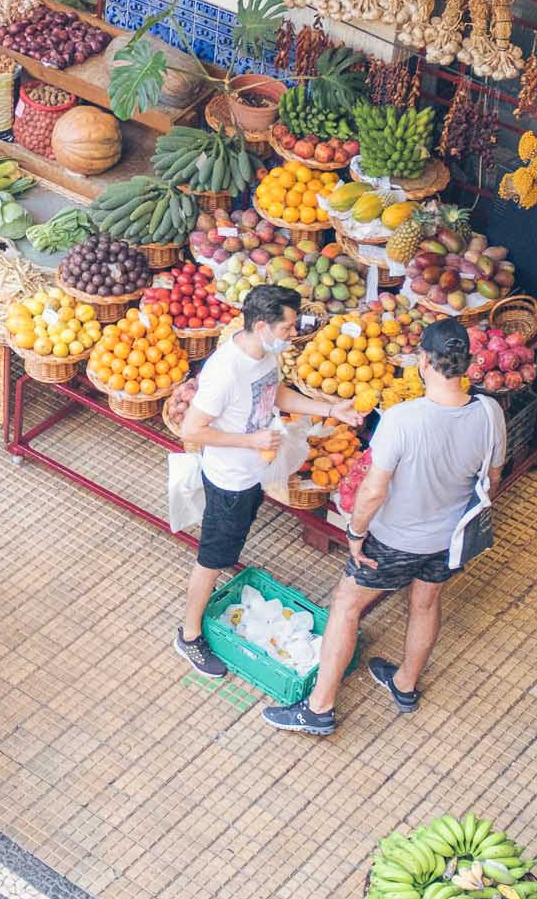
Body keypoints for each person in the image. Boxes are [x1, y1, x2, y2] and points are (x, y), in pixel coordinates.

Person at [264, 320, 505, 735]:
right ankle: (405, 684)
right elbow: (493, 479)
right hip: (449, 540)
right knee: (426, 604)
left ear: (423, 362)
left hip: (396, 540)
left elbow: (374, 491)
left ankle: (319, 709)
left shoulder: (402, 419)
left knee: (347, 605)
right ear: (465, 363)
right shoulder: (490, 411)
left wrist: (356, 534)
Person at [173, 284, 362, 677]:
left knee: (224, 548)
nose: (293, 333)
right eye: (289, 327)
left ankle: (215, 582)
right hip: (228, 481)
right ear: (262, 326)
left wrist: (331, 410)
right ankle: (189, 636)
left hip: (250, 475)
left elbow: (277, 396)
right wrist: (250, 440)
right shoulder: (225, 371)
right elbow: (192, 430)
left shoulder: (264, 356)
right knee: (210, 560)